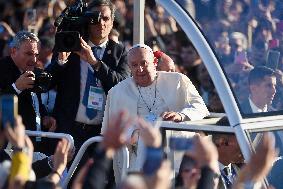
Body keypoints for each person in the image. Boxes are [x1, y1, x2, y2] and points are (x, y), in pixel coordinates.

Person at [102, 44, 209, 182]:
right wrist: (132, 135)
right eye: (134, 65)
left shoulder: (178, 80)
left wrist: (181, 115)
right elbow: (110, 132)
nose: (139, 69)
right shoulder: (117, 92)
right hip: (138, 158)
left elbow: (200, 106)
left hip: (178, 155)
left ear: (154, 62)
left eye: (144, 63)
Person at [47, 0, 130, 150]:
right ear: (87, 21)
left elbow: (122, 85)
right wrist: (60, 61)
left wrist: (94, 62)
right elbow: (49, 82)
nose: (101, 24)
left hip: (102, 133)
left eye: (105, 19)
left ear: (112, 22)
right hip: (69, 130)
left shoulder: (120, 52)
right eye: (96, 18)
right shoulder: (70, 45)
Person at [0, 31, 56, 153]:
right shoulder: (2, 70)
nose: (34, 59)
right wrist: (16, 88)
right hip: (9, 148)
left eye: (36, 54)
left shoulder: (34, 71)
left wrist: (44, 116)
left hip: (35, 144)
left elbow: (35, 101)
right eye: (29, 54)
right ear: (13, 51)